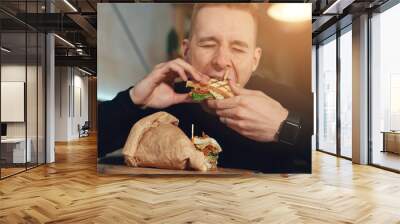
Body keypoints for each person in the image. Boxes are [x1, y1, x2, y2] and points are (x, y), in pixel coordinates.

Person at [98, 3, 312, 173]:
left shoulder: (284, 99)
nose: (221, 61)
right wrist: (133, 99)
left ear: (255, 60)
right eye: (208, 44)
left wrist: (287, 128)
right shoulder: (163, 98)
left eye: (238, 48)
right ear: (186, 51)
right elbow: (91, 147)